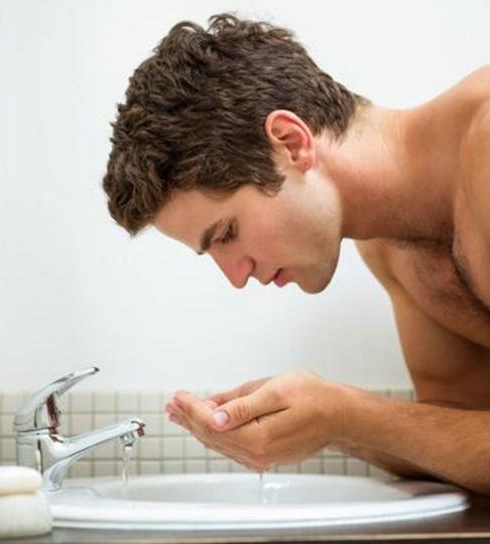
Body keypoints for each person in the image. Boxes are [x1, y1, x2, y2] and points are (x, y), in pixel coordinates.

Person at [102, 14, 490, 494]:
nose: (237, 277)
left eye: (226, 233)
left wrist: (346, 415)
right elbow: (458, 436)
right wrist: (321, 424)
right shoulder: (386, 248)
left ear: (291, 142)